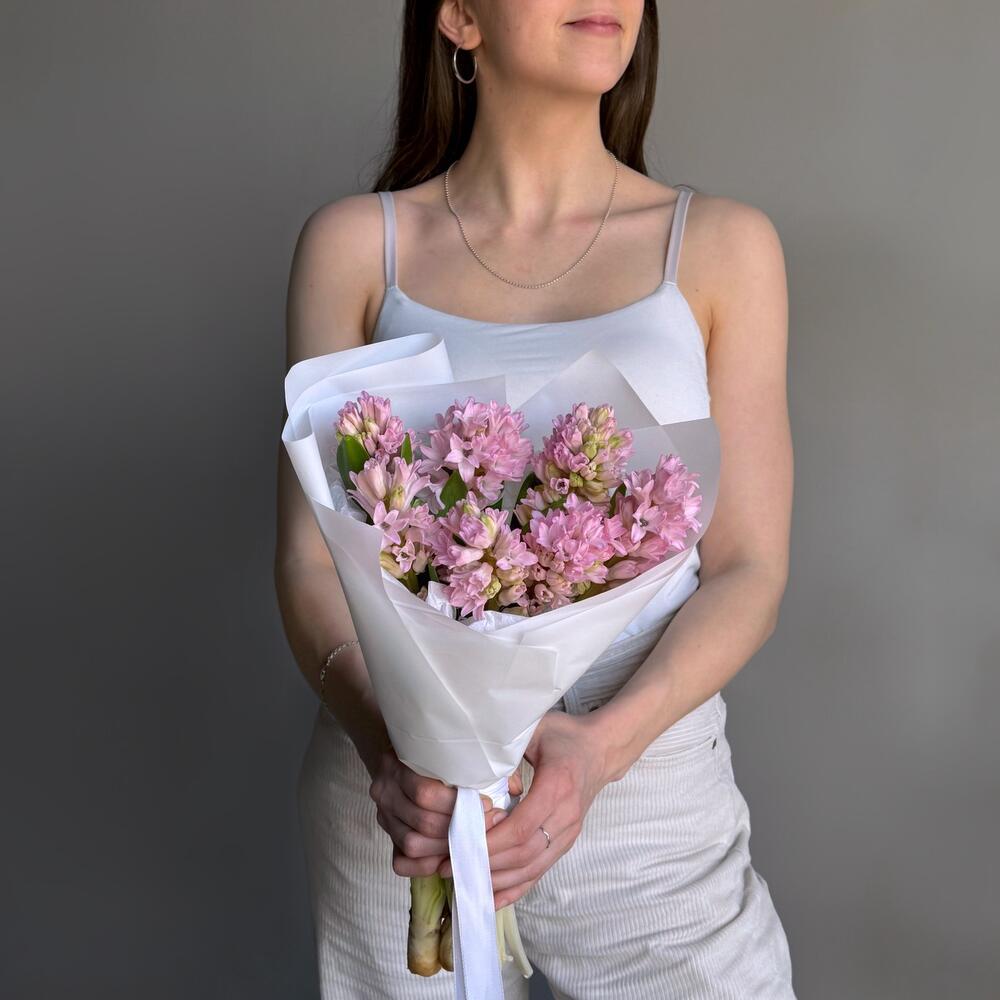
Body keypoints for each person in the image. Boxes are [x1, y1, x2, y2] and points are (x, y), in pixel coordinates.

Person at [274, 1, 796, 997]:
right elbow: (308, 561)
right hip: (405, 812)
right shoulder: (355, 247)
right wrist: (394, 751)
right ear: (460, 16)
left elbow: (749, 567)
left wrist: (600, 752)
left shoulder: (722, 246)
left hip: (644, 795)